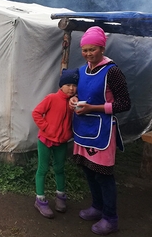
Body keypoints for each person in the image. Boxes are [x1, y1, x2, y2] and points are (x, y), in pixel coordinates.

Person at [69, 26, 131, 235]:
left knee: (104, 176)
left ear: (102, 48)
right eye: (85, 49)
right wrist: (73, 100)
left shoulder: (112, 71)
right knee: (88, 171)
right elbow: (77, 94)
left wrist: (93, 108)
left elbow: (124, 104)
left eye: (92, 49)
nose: (88, 53)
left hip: (103, 131)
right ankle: (97, 207)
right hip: (83, 129)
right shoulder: (81, 70)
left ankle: (111, 218)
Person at [32, 68, 79, 219]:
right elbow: (36, 113)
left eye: (74, 85)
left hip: (62, 141)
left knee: (59, 168)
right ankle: (40, 199)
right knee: (43, 169)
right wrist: (46, 128)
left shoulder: (74, 102)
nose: (71, 88)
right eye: (68, 84)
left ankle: (60, 196)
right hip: (45, 139)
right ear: (61, 85)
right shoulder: (52, 98)